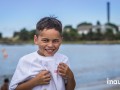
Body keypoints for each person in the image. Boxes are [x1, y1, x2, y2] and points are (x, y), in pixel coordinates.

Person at [9, 16, 76, 90]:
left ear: (61, 40)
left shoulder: (63, 60)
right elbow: (13, 89)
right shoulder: (26, 60)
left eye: (55, 41)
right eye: (45, 40)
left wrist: (71, 76)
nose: (50, 45)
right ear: (36, 40)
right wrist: (35, 81)